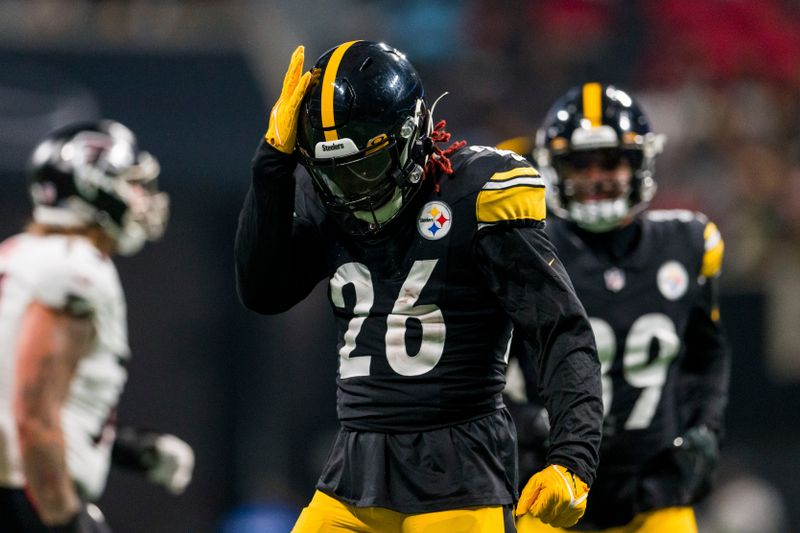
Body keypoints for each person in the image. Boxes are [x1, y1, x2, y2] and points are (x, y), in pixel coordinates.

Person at [235, 40, 604, 532]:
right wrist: (271, 167)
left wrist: (574, 460)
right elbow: (263, 292)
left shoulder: (475, 193)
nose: (352, 189)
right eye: (333, 173)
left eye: (363, 167)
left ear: (410, 135)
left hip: (459, 473)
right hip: (355, 470)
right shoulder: (328, 192)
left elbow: (562, 331)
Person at [498, 83, 731, 532]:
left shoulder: (688, 244)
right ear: (552, 167)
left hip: (654, 489)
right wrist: (531, 423)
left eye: (610, 160)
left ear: (639, 161)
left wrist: (705, 428)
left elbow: (708, 356)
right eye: (579, 163)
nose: (595, 176)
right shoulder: (527, 249)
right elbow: (485, 369)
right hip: (553, 489)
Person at [0, 120, 194, 532]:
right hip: (24, 494)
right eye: (132, 183)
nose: (143, 198)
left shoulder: (18, 255)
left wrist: (121, 448)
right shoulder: (77, 269)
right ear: (92, 185)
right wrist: (64, 516)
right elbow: (32, 413)